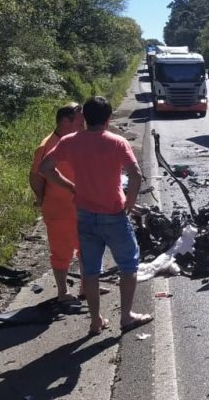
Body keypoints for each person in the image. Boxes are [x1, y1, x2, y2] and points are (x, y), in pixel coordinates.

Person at [39, 96, 150, 335]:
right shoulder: (117, 142)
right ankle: (126, 316)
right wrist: (129, 203)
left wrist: (70, 186)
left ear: (85, 118)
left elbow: (45, 168)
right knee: (128, 264)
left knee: (90, 270)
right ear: (109, 119)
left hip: (85, 215)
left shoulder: (69, 141)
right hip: (113, 214)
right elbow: (136, 174)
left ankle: (95, 321)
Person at [29, 102, 90, 304]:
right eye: (80, 121)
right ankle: (63, 292)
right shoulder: (47, 145)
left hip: (80, 207)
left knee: (86, 248)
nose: (84, 125)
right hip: (59, 210)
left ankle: (86, 287)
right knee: (61, 252)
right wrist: (40, 196)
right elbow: (35, 176)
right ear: (66, 121)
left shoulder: (74, 140)